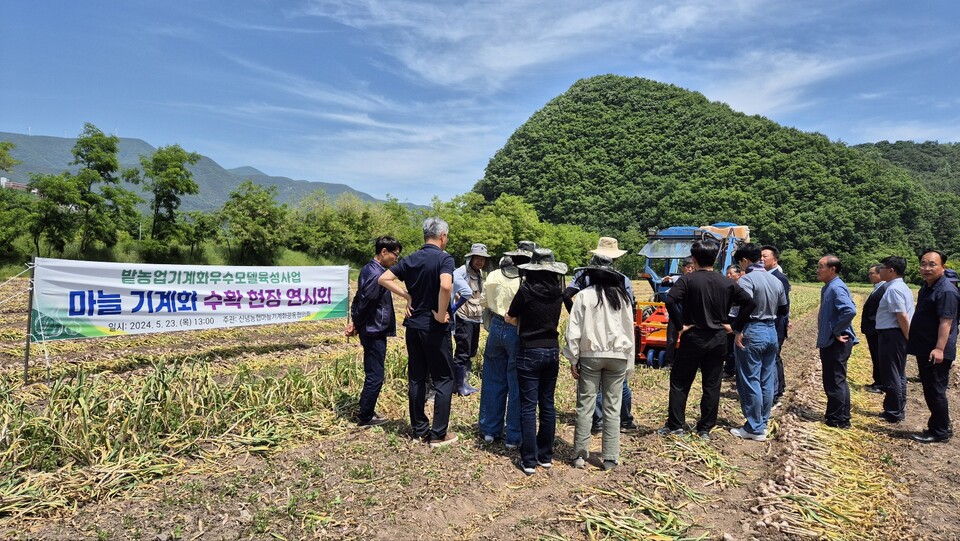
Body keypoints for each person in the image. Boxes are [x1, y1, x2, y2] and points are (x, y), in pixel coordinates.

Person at [657, 240, 754, 439]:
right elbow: (750, 303)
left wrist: (680, 325)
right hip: (717, 338)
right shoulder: (726, 282)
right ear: (716, 258)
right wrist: (734, 326)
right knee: (711, 384)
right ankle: (704, 428)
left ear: (694, 259)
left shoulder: (687, 280)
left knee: (680, 382)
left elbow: (670, 299)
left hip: (693, 336)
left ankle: (676, 425)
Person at [378, 217, 458, 448]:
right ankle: (438, 434)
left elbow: (384, 278)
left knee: (417, 377)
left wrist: (407, 296)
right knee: (444, 379)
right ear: (442, 236)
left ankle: (419, 430)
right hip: (434, 327)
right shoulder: (444, 258)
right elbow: (445, 285)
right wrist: (441, 312)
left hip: (413, 326)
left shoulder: (411, 258)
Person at [565, 256, 635, 470]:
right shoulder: (622, 297)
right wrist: (629, 361)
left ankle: (579, 455)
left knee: (585, 406)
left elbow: (573, 331)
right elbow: (629, 330)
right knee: (613, 407)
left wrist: (573, 358)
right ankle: (610, 457)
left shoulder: (584, 296)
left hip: (590, 355)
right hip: (617, 357)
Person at [506, 248, 567, 475]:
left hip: (529, 351)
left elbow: (511, 316)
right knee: (548, 404)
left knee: (529, 406)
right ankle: (546, 455)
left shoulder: (526, 290)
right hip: (552, 350)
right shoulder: (558, 293)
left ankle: (529, 460)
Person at [478, 241, 536, 450]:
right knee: (516, 382)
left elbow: (483, 301)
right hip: (517, 329)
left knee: (493, 379)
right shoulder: (526, 280)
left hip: (495, 326)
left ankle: (489, 430)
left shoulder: (493, 275)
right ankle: (513, 435)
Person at [729, 244, 787, 441]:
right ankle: (762, 423)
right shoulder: (775, 280)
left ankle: (753, 427)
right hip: (771, 330)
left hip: (752, 330)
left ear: (745, 261)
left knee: (749, 379)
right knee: (766, 379)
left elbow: (746, 305)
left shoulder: (747, 280)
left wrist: (738, 329)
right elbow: (783, 309)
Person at [345, 236, 402, 428]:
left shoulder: (370, 270)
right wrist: (358, 324)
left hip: (371, 327)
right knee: (375, 375)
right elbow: (366, 302)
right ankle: (366, 416)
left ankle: (366, 410)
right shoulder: (376, 274)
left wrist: (355, 322)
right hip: (373, 329)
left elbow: (358, 298)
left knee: (373, 372)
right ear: (384, 252)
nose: (396, 259)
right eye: (395, 255)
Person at [906, 250, 959, 443]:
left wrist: (939, 348)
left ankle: (939, 431)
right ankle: (941, 424)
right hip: (925, 347)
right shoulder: (928, 287)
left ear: (943, 267)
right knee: (932, 388)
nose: (926, 268)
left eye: (932, 264)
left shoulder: (946, 290)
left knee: (934, 390)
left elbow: (946, 322)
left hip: (935, 350)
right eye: (923, 264)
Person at [815, 255, 858, 429]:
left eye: (821, 266)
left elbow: (849, 310)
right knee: (836, 380)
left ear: (832, 269)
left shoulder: (836, 288)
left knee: (835, 381)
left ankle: (838, 419)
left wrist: (836, 330)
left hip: (836, 342)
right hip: (831, 340)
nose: (818, 270)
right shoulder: (829, 287)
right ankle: (840, 416)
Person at [874, 256, 913, 423]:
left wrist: (908, 337)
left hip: (892, 335)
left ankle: (893, 411)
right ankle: (897, 408)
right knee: (898, 373)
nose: (879, 270)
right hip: (895, 335)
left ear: (891, 270)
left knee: (892, 374)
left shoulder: (894, 289)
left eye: (882, 267)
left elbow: (901, 315)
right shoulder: (901, 287)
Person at [452, 243, 491, 396]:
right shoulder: (462, 271)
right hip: (463, 317)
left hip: (475, 317)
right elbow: (452, 285)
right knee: (462, 351)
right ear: (471, 258)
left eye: (482, 259)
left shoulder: (480, 273)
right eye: (477, 258)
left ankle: (464, 382)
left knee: (471, 351)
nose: (480, 261)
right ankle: (458, 385)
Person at [760, 245, 791, 407]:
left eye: (765, 256)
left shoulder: (780, 278)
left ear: (775, 260)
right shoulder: (765, 276)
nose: (762, 259)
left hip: (775, 325)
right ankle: (778, 389)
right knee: (774, 358)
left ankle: (777, 392)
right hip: (771, 325)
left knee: (773, 358)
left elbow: (783, 307)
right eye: (760, 256)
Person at [662, 257, 696, 369]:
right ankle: (668, 362)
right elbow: (665, 282)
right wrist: (665, 280)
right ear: (683, 269)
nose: (690, 269)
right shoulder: (677, 279)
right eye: (688, 267)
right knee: (671, 339)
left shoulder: (697, 280)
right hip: (676, 314)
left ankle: (690, 363)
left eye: (692, 268)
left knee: (691, 340)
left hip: (691, 316)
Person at [860, 264, 888, 394]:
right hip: (872, 329)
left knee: (879, 357)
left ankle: (880, 383)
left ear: (880, 274)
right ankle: (877, 381)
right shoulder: (878, 288)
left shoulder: (883, 289)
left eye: (872, 273)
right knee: (875, 356)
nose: (869, 276)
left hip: (876, 329)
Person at [722, 264, 744, 379]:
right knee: (729, 345)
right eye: (727, 273)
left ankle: (735, 370)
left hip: (738, 319)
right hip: (729, 318)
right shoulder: (727, 287)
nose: (728, 275)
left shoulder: (742, 287)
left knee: (736, 346)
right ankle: (729, 369)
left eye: (731, 273)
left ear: (739, 274)